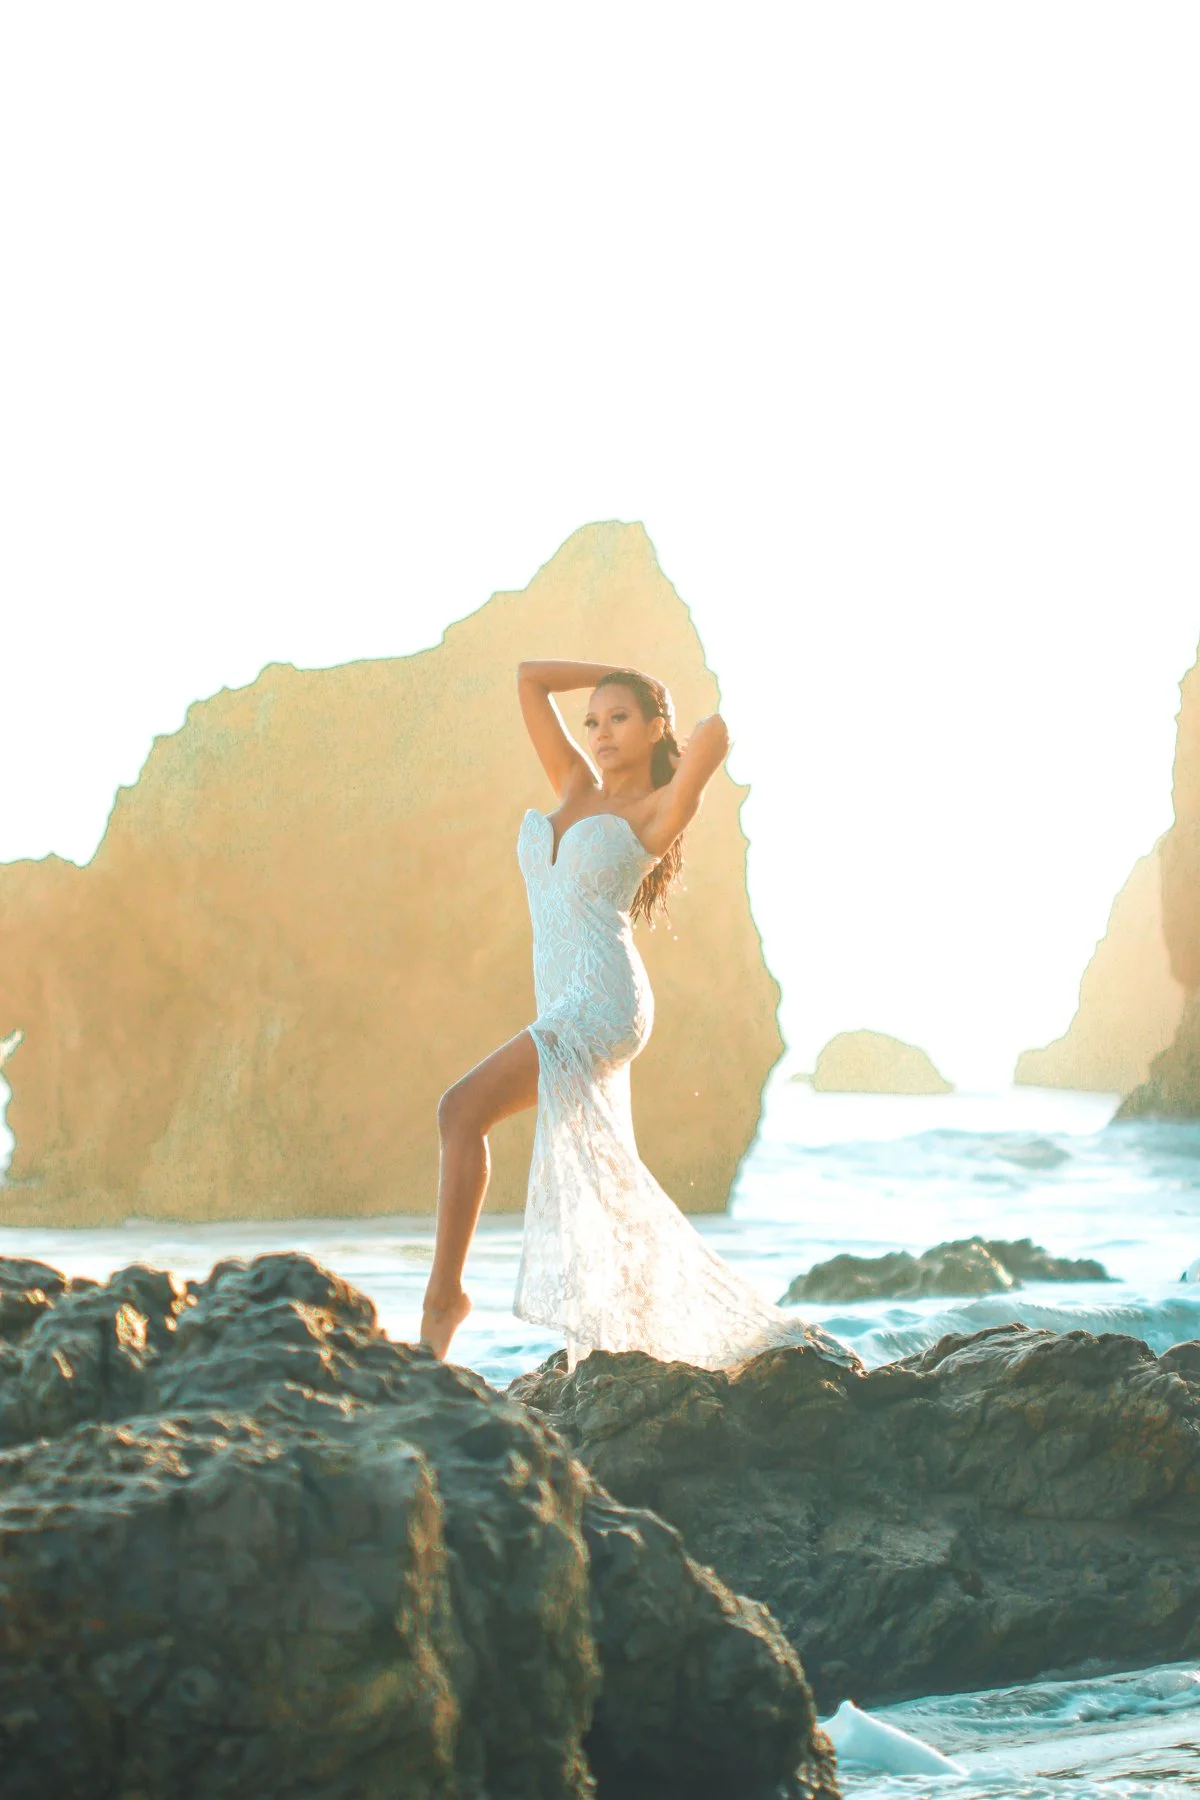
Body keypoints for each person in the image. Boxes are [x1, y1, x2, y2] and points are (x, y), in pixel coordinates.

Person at [419, 658, 853, 1372]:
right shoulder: (573, 785)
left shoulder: (657, 811)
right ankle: (641, 1317)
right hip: (562, 999)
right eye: (593, 720)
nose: (601, 732)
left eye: (619, 718)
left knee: (460, 1110)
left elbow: (715, 732)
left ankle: (445, 1301)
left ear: (655, 729)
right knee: (598, 1177)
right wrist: (615, 676)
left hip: (604, 1001)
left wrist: (662, 702)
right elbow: (528, 678)